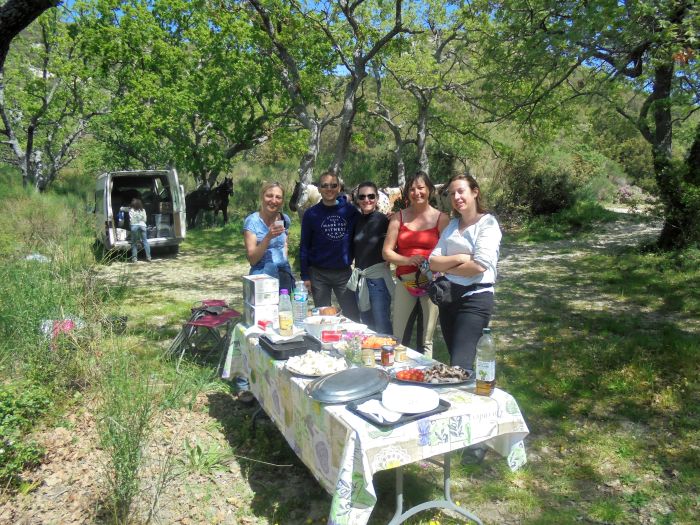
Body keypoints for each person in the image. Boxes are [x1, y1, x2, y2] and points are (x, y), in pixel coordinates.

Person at [429, 173, 501, 370]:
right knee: (456, 358)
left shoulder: (488, 224)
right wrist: (461, 259)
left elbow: (479, 266)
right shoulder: (452, 226)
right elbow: (433, 262)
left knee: (461, 363)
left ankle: (469, 397)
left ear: (475, 192)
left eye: (461, 191)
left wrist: (448, 267)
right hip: (448, 297)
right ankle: (463, 395)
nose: (456, 197)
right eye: (452, 194)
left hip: (475, 298)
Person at [382, 172, 449, 357]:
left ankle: (426, 376)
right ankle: (396, 372)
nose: (416, 192)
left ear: (429, 190)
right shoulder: (398, 218)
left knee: (426, 340)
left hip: (431, 282)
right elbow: (386, 252)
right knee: (398, 335)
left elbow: (448, 251)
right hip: (405, 282)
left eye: (421, 188)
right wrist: (408, 260)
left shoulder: (442, 219)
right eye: (412, 189)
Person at [299, 171, 360, 321]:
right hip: (318, 274)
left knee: (352, 315)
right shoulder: (311, 214)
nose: (329, 189)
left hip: (343, 273)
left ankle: (351, 342)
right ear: (319, 188)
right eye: (324, 186)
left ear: (339, 188)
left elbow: (365, 227)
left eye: (333, 185)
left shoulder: (350, 211)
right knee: (324, 318)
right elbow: (304, 246)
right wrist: (305, 276)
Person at [346, 181, 393, 334]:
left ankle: (387, 354)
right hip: (361, 279)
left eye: (371, 196)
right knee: (366, 324)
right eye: (362, 196)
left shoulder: (384, 220)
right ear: (357, 199)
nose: (367, 200)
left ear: (377, 198)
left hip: (378, 280)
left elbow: (396, 242)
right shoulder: (356, 221)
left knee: (381, 324)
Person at [243, 182, 295, 292]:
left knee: (285, 308)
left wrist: (283, 260)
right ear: (262, 197)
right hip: (262, 276)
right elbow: (252, 260)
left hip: (284, 275)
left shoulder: (285, 219)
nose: (273, 200)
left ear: (282, 201)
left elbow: (284, 244)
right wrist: (268, 237)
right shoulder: (252, 221)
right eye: (269, 196)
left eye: (278, 197)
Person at [129, 198, 151, 263]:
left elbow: (131, 219)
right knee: (145, 242)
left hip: (134, 226)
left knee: (134, 243)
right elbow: (145, 220)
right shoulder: (143, 210)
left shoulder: (131, 210)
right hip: (143, 226)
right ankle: (149, 257)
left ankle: (135, 258)